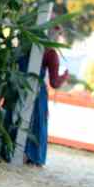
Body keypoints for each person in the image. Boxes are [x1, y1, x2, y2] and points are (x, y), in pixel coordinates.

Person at [22, 29, 70, 166]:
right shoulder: (51, 53)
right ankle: (33, 157)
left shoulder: (25, 45)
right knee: (37, 123)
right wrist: (65, 76)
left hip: (19, 87)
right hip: (37, 92)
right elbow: (54, 83)